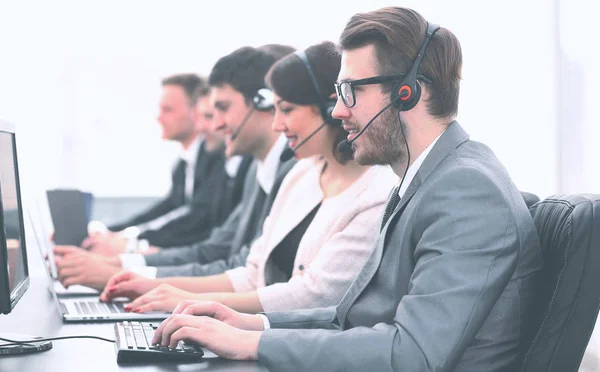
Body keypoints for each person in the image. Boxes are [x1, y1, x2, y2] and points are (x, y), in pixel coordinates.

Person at [148, 7, 544, 371]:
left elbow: (412, 353)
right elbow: (353, 315)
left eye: (351, 91)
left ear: (408, 92)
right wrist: (253, 324)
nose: (338, 111)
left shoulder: (465, 190)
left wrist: (250, 345)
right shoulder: (430, 177)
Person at [99, 41, 397, 315]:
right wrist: (160, 288)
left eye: (287, 110)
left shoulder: (377, 192)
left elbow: (313, 297)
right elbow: (253, 272)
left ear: (330, 109)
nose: (277, 125)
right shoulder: (301, 175)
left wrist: (192, 302)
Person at [54, 45, 295, 289]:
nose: (213, 126)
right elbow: (213, 250)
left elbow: (240, 269)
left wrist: (124, 271)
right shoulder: (257, 171)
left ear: (266, 101)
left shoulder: (286, 172)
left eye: (220, 110)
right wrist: (122, 262)